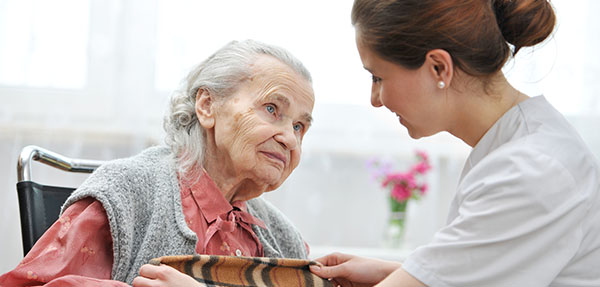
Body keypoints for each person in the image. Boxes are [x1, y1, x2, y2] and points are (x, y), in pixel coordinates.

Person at [310, 0, 600, 286]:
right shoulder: (521, 149)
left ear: (439, 68)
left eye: (378, 77)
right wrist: (402, 272)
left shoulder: (531, 170)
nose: (375, 100)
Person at [0, 39, 315, 287]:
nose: (289, 137)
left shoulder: (284, 239)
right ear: (207, 106)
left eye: (300, 126)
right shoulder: (126, 194)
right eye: (272, 109)